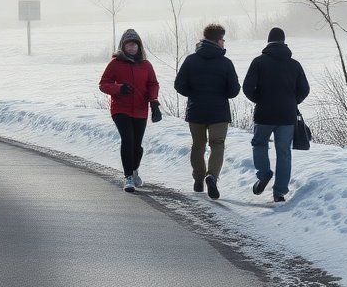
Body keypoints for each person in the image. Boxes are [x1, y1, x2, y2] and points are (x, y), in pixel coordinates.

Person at [242, 27, 311, 203]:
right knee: (284, 151)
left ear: (268, 41)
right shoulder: (294, 64)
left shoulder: (258, 62)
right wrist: (292, 101)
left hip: (264, 113)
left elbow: (247, 88)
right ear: (284, 41)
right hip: (286, 116)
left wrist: (260, 99)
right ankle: (279, 192)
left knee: (259, 143)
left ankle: (264, 174)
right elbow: (305, 89)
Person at [173, 23, 241, 200]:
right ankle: (212, 176)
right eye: (223, 40)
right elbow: (234, 90)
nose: (224, 43)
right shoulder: (226, 63)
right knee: (217, 144)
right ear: (218, 40)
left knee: (198, 145)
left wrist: (194, 93)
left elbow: (179, 85)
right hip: (219, 112)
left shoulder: (191, 60)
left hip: (196, 110)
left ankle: (198, 178)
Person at [99, 28, 161, 192]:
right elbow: (103, 84)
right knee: (128, 140)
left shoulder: (146, 65)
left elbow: (153, 84)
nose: (132, 48)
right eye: (129, 45)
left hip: (141, 109)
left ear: (139, 47)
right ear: (123, 46)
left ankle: (134, 170)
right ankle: (128, 177)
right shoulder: (115, 63)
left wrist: (154, 102)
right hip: (121, 109)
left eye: (135, 45)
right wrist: (119, 88)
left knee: (137, 146)